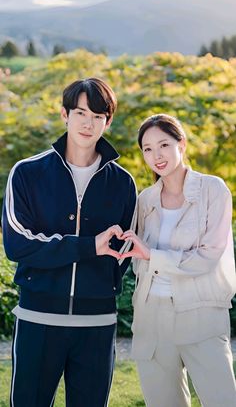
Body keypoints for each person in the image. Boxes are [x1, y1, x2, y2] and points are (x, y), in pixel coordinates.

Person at [2, 78, 136, 407]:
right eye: (80, 113)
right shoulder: (27, 173)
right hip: (38, 320)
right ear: (64, 115)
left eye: (98, 116)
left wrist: (69, 258)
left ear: (108, 121)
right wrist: (89, 246)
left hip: (97, 324)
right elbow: (18, 244)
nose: (88, 123)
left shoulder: (123, 182)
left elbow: (122, 254)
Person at [120, 113, 236, 407]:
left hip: (202, 315)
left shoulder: (214, 190)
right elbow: (138, 260)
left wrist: (152, 255)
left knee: (222, 401)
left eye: (163, 145)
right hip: (151, 319)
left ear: (181, 144)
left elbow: (208, 257)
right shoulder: (145, 199)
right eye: (147, 149)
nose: (156, 156)